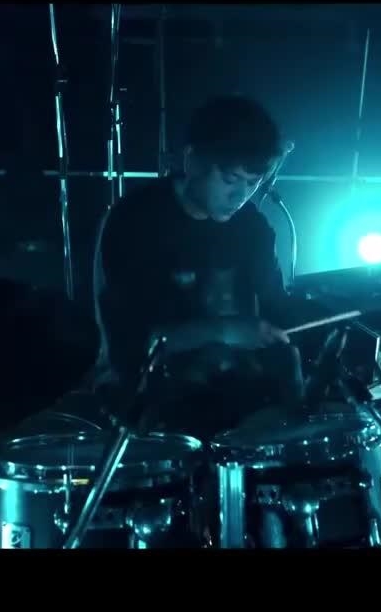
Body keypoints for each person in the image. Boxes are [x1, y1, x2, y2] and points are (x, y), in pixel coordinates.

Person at [91, 95, 316, 440]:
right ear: (193, 162)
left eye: (252, 183)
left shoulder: (252, 226)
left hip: (237, 392)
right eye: (230, 179)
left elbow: (277, 306)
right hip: (147, 395)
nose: (240, 196)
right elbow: (133, 340)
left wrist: (329, 316)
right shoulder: (136, 220)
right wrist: (223, 330)